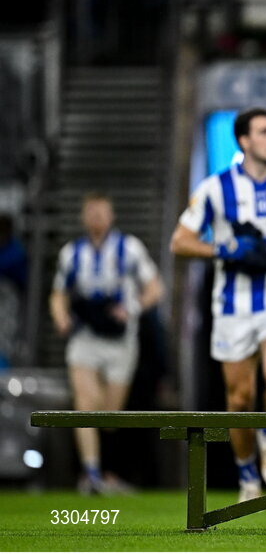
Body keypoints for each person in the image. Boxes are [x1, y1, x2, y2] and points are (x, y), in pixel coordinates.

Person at [170, 107, 266, 503]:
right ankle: (247, 476)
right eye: (264, 132)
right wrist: (225, 249)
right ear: (244, 141)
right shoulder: (215, 189)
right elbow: (179, 242)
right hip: (233, 304)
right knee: (238, 399)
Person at [50, 193, 163, 495]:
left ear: (111, 216)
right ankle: (90, 474)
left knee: (109, 413)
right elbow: (58, 293)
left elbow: (155, 287)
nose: (97, 218)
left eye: (102, 212)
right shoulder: (71, 253)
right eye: (92, 213)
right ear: (84, 217)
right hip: (86, 337)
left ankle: (108, 471)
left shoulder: (129, 249)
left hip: (120, 339)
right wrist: (61, 318)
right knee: (86, 405)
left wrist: (132, 308)